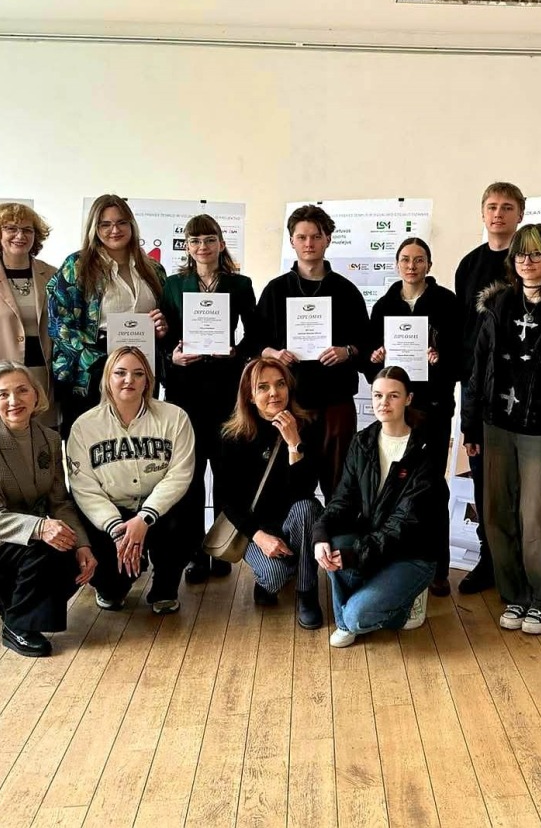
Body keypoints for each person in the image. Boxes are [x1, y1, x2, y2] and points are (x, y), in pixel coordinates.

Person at [462, 224, 541, 635]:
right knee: (497, 512)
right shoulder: (498, 303)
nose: (527, 262)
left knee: (536, 517)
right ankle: (514, 593)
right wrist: (470, 426)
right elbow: (479, 367)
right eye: (520, 255)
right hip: (496, 424)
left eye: (535, 254)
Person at [313, 367, 447, 648]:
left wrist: (356, 555)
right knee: (334, 544)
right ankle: (356, 614)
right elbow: (342, 499)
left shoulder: (424, 451)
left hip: (412, 552)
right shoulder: (362, 442)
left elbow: (403, 524)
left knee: (357, 616)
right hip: (375, 543)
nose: (383, 403)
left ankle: (399, 607)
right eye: (377, 395)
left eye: (393, 396)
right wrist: (320, 534)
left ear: (408, 399)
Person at [161, 213, 260, 584]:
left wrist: (235, 353)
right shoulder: (173, 285)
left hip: (225, 388)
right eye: (195, 241)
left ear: (220, 243)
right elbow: (163, 335)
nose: (202, 247)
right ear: (187, 246)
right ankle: (194, 555)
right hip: (185, 389)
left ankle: (221, 548)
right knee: (189, 474)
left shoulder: (240, 284)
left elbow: (256, 333)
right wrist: (172, 355)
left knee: (226, 472)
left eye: (209, 239)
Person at [0, 362, 96, 657]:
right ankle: (18, 626)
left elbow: (60, 501)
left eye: (22, 390)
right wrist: (40, 527)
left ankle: (5, 593)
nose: (14, 401)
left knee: (70, 548)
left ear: (36, 395)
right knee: (45, 547)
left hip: (25, 535)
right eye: (3, 394)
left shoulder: (50, 440)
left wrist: (83, 544)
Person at [67, 346, 194, 614]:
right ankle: (114, 582)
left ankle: (165, 586)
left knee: (185, 514)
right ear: (107, 379)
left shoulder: (175, 417)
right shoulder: (83, 426)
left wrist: (145, 518)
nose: (129, 380)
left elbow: (179, 474)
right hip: (111, 515)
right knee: (112, 590)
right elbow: (84, 488)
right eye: (120, 373)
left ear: (148, 380)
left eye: (138, 374)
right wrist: (117, 529)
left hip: (157, 510)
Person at [368, 237, 462, 596]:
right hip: (395, 412)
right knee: (393, 487)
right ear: (397, 264)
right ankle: (397, 563)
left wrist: (440, 359)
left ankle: (437, 568)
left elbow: (460, 359)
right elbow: (370, 365)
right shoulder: (384, 306)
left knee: (432, 489)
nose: (412, 266)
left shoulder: (447, 302)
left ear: (429, 265)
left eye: (419, 259)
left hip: (432, 410)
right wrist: (375, 358)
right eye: (406, 259)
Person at [256, 204, 369, 501]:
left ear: (328, 239)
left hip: (336, 403)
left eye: (316, 237)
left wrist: (347, 351)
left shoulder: (346, 291)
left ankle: (336, 532)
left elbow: (367, 343)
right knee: (292, 486)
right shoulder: (275, 291)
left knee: (340, 485)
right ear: (291, 241)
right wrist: (274, 354)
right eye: (302, 237)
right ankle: (297, 530)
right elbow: (253, 342)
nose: (309, 243)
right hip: (290, 403)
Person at [47, 194, 168, 439]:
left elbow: (165, 318)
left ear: (132, 225)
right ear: (95, 228)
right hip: (91, 370)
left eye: (122, 222)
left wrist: (162, 327)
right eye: (105, 224)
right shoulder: (77, 265)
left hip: (142, 367)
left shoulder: (153, 269)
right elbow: (59, 323)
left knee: (138, 440)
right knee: (91, 443)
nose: (115, 230)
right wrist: (96, 362)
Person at [454, 181, 525, 594]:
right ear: (482, 213)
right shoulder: (469, 265)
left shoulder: (529, 261)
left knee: (522, 479)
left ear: (520, 215)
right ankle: (489, 558)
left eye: (507, 207)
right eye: (492, 207)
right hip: (478, 388)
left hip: (522, 389)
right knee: (483, 475)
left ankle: (521, 562)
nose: (498, 214)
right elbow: (463, 329)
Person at [217, 357, 324, 627]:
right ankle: (282, 572)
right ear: (250, 396)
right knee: (274, 576)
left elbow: (304, 491)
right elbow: (228, 501)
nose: (274, 393)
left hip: (295, 520)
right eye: (263, 387)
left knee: (307, 508)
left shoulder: (307, 426)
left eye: (280, 384)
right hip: (256, 528)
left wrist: (294, 444)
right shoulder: (234, 436)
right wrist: (259, 537)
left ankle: (307, 592)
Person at [0, 203, 58, 426]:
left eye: (27, 230)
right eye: (11, 228)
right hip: (0, 383)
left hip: (43, 380)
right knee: (4, 442)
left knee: (43, 440)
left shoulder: (53, 275)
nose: (20, 236)